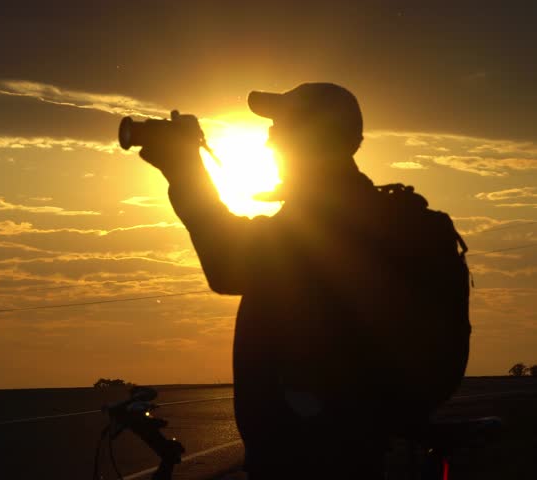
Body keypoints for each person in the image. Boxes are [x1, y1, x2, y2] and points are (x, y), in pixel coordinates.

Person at [138, 83, 464, 478]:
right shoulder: (364, 214)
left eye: (280, 128)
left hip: (311, 451)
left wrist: (184, 170)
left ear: (311, 139)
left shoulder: (328, 221)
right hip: (346, 441)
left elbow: (228, 262)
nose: (270, 141)